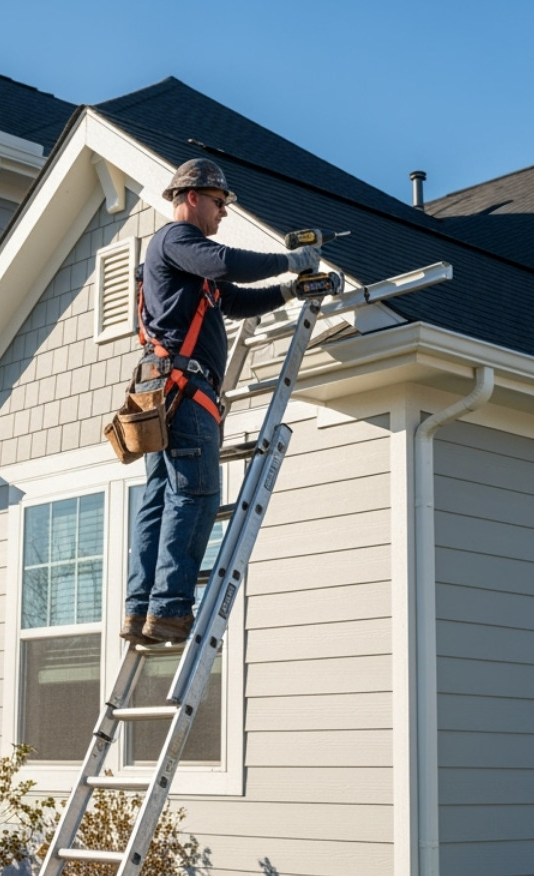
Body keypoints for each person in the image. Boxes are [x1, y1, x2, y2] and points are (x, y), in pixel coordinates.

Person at [123, 158, 322, 645]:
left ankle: (142, 610)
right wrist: (292, 260)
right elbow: (228, 262)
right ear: (191, 197)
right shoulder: (177, 241)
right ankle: (168, 608)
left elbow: (232, 298)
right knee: (194, 495)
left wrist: (288, 289)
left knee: (159, 499)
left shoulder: (188, 263)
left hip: (163, 388)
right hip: (182, 391)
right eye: (218, 203)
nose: (223, 214)